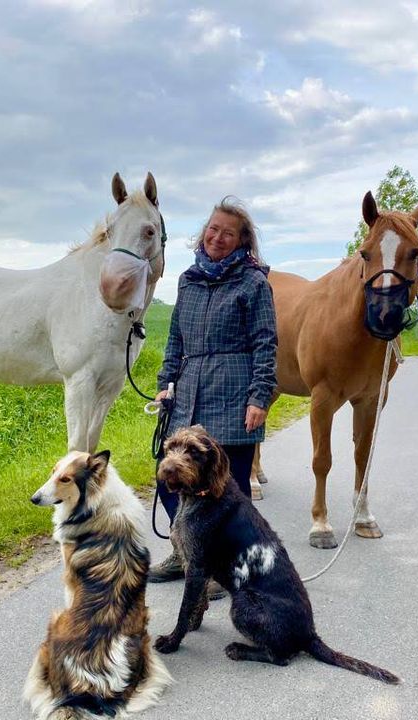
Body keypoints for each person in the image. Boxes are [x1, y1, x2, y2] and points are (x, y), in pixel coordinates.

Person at [149, 196, 277, 585]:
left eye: (229, 234)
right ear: (204, 232)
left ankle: (220, 569)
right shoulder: (189, 280)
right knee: (170, 477)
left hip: (234, 391)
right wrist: (164, 384)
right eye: (214, 229)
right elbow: (175, 338)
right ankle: (184, 552)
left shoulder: (253, 283)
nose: (218, 238)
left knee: (226, 493)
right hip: (189, 391)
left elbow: (265, 343)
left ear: (242, 242)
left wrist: (259, 396)